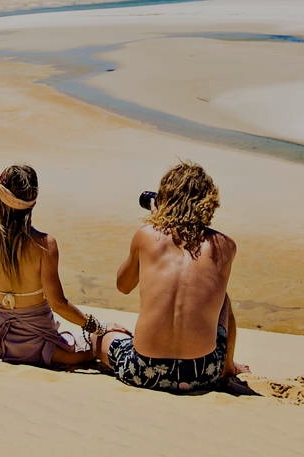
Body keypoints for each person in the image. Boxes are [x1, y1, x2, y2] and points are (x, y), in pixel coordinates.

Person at [97, 161, 244, 393]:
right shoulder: (226, 246)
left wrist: (155, 223)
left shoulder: (146, 236)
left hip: (143, 370)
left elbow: (123, 286)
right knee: (223, 299)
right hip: (202, 372)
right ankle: (227, 367)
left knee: (102, 337)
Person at [0, 164, 101, 370]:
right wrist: (96, 326)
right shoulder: (45, 245)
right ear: (33, 203)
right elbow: (58, 303)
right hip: (39, 344)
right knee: (94, 350)